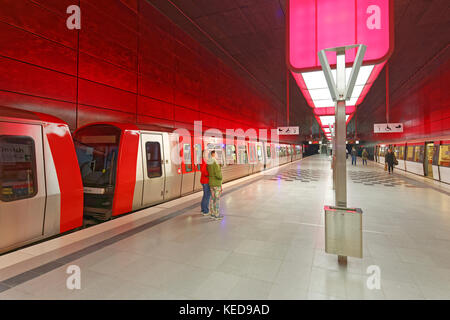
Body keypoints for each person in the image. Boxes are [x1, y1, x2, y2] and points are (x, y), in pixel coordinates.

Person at [207, 150, 223, 220]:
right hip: (216, 183)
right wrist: (221, 177)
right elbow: (218, 174)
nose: (217, 155)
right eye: (216, 154)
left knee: (212, 199)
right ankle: (217, 215)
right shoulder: (215, 162)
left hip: (211, 183)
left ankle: (212, 214)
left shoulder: (209, 161)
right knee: (217, 199)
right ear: (214, 154)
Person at [200, 150, 210, 216]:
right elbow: (204, 171)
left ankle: (203, 209)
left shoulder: (202, 160)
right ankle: (205, 211)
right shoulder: (205, 161)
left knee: (205, 196)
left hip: (203, 180)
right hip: (206, 181)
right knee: (207, 196)